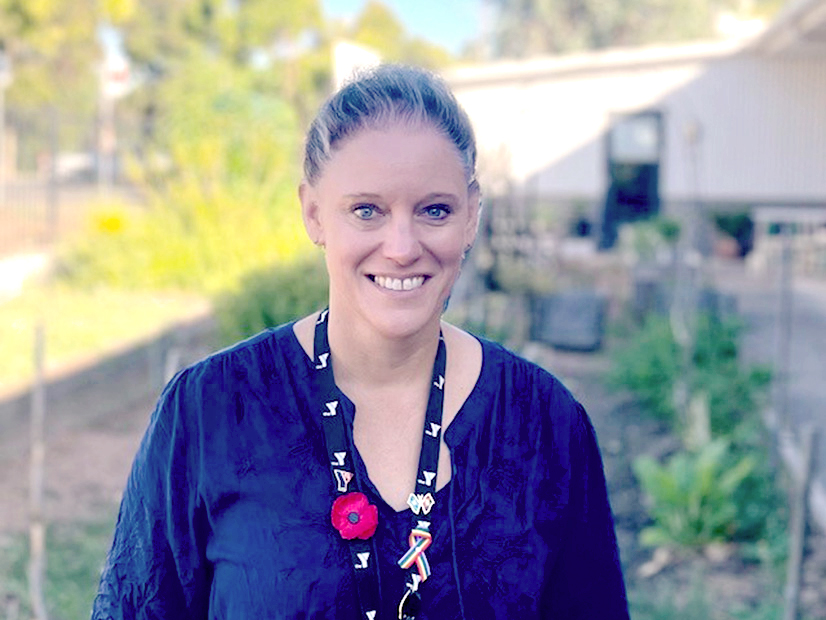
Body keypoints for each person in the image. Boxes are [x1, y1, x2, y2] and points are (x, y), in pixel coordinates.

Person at [91, 64, 629, 620]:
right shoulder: (209, 411)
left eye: (434, 210)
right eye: (366, 210)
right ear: (314, 213)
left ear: (472, 216)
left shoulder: (544, 422)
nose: (401, 247)